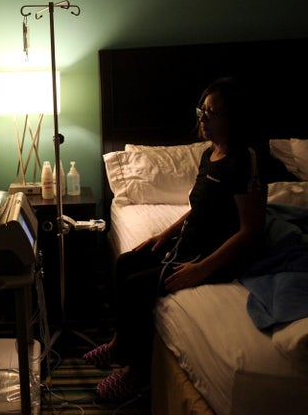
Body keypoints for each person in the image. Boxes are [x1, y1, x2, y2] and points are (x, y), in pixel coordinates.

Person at [84, 76, 268, 402]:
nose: (203, 120)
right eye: (203, 111)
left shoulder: (244, 161)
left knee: (139, 285)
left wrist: (202, 270)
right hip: (191, 240)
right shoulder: (208, 154)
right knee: (126, 263)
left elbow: (250, 230)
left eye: (214, 114)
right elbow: (199, 209)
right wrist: (163, 234)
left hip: (214, 254)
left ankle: (135, 374)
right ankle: (119, 344)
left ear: (234, 119)